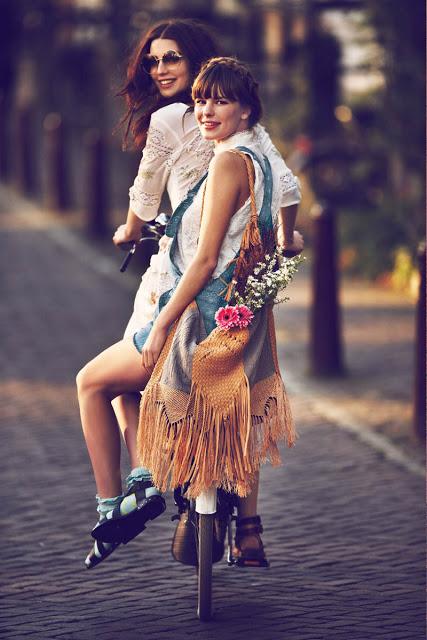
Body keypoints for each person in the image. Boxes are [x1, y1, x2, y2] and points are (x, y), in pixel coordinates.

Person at [81, 19, 302, 569]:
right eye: (153, 61)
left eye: (172, 58)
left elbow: (147, 196)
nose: (161, 70)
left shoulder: (185, 124)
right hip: (243, 290)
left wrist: (131, 228)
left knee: (122, 376)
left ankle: (135, 486)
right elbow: (286, 186)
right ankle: (247, 528)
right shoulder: (247, 133)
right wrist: (285, 237)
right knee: (240, 406)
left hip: (186, 283)